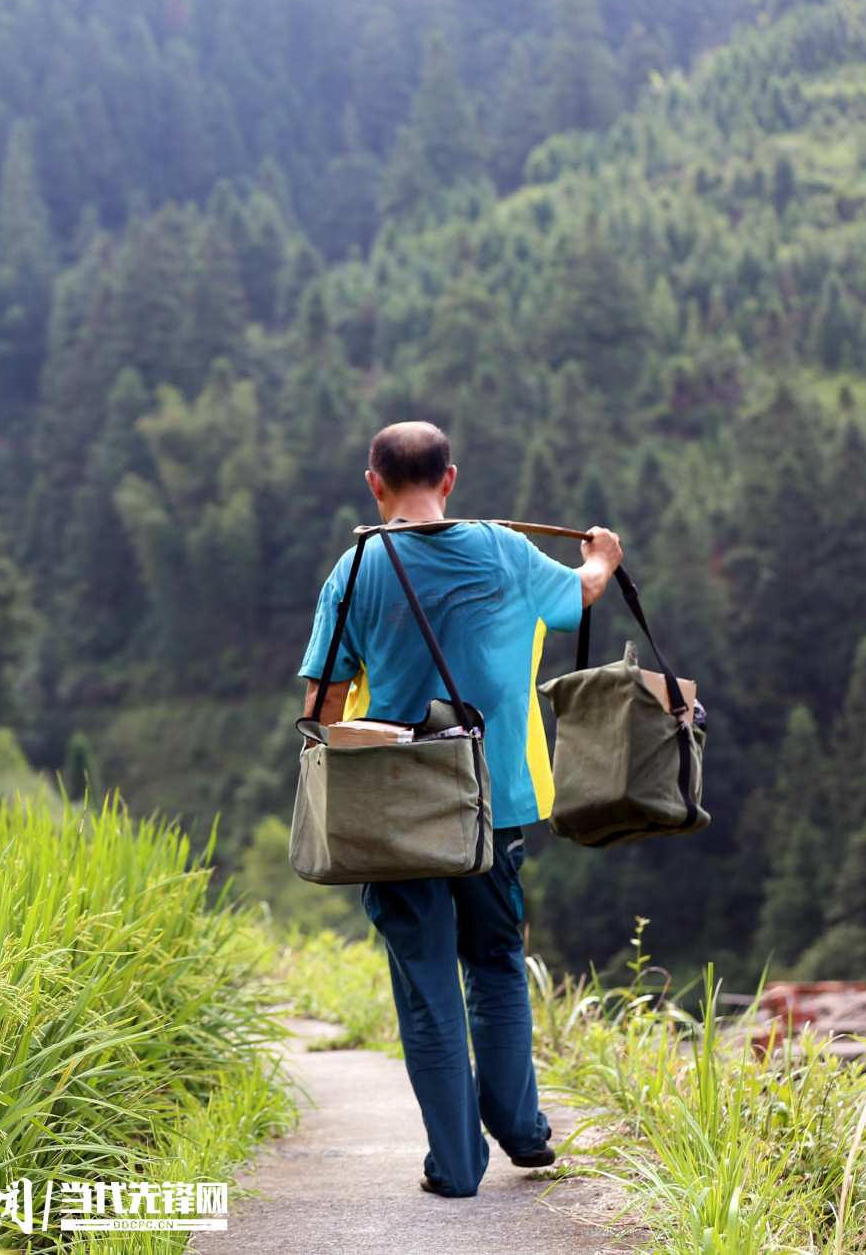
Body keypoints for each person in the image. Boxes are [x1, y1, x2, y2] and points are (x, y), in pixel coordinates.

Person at [297, 421, 622, 1199]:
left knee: (426, 977)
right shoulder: (506, 550)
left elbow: (323, 699)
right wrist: (600, 558)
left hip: (393, 810)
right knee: (497, 961)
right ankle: (523, 1130)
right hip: (495, 802)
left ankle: (457, 1164)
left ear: (374, 485)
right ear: (450, 479)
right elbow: (579, 599)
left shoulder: (357, 565)